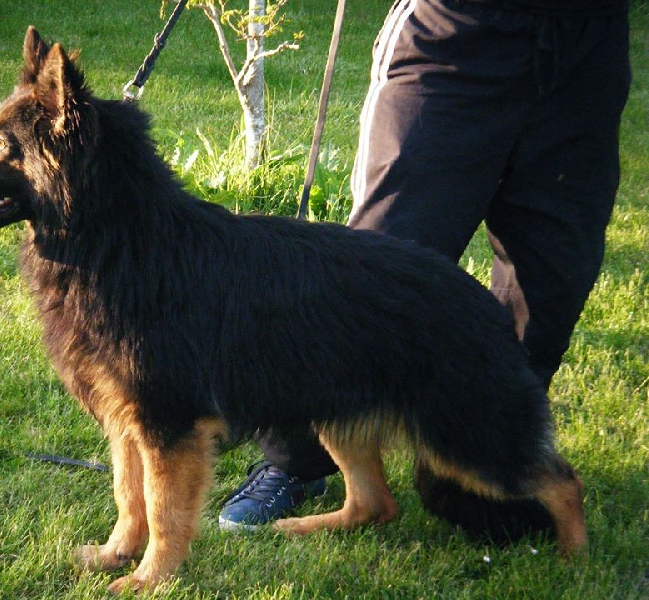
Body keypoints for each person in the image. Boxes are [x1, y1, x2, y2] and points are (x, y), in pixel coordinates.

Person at [219, 0, 631, 531]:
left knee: (551, 283)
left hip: (589, 43)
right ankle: (296, 463)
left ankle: (481, 466)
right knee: (373, 276)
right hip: (455, 33)